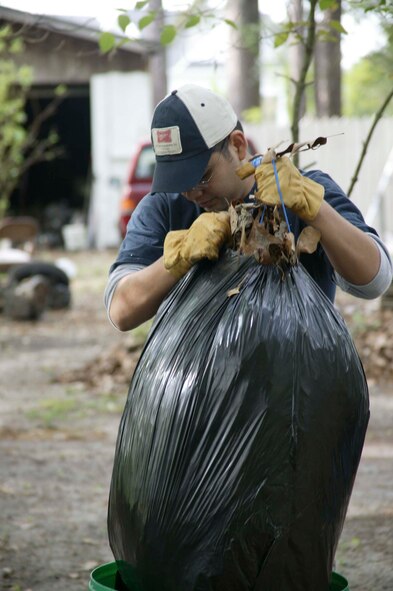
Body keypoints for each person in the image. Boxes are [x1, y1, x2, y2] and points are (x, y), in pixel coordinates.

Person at [105, 84, 392, 332]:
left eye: (202, 176)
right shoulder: (163, 208)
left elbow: (374, 281)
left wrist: (316, 211)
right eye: (180, 181)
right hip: (201, 392)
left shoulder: (304, 191)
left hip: (298, 385)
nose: (192, 193)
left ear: (238, 145)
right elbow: (121, 311)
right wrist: (179, 257)